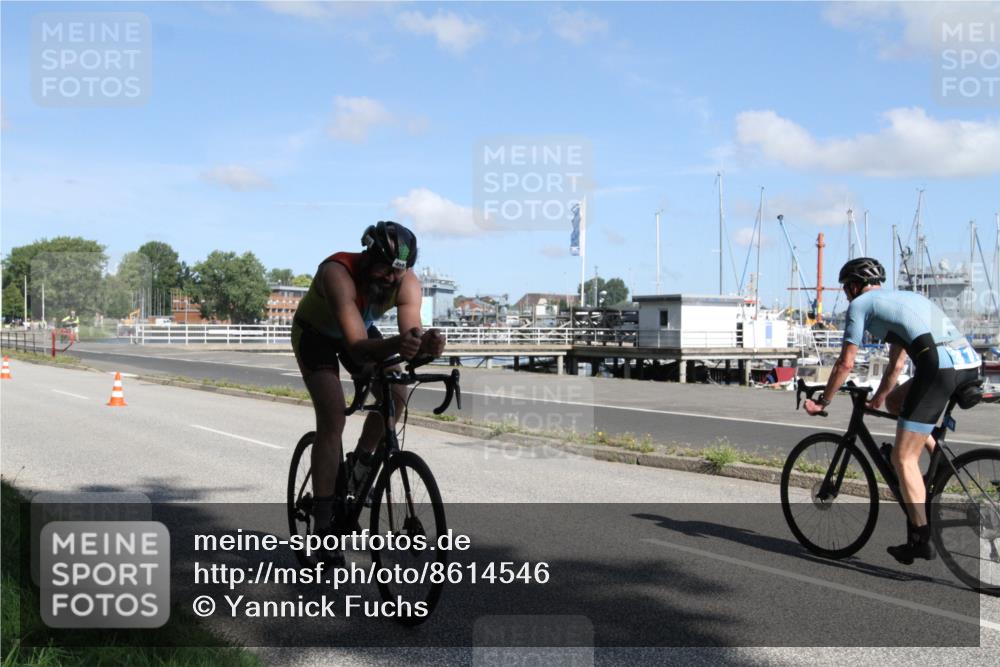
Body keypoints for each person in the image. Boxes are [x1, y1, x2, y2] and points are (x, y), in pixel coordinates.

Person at [803, 257, 981, 564]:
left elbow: (845, 363)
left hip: (939, 369)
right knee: (895, 403)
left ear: (854, 287)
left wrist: (823, 401)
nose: (846, 295)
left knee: (902, 458)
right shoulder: (905, 299)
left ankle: (921, 538)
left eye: (846, 289)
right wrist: (879, 399)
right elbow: (897, 365)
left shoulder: (861, 306)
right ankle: (937, 461)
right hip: (969, 365)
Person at [292, 221, 446, 542]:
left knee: (397, 390)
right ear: (368, 257)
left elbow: (410, 336)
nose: (390, 278)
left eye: (398, 271)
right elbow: (358, 348)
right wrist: (400, 344)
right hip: (317, 335)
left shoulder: (407, 283)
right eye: (384, 269)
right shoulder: (337, 273)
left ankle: (359, 466)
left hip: (358, 330)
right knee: (333, 416)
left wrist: (426, 346)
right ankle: (323, 529)